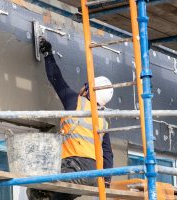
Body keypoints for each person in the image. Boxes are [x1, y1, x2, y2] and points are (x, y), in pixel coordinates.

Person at [27, 38, 114, 200]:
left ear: (88, 90)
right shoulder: (102, 120)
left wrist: (48, 54)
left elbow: (56, 80)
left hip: (75, 168)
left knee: (36, 189)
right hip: (95, 175)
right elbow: (108, 154)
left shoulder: (75, 101)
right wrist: (106, 181)